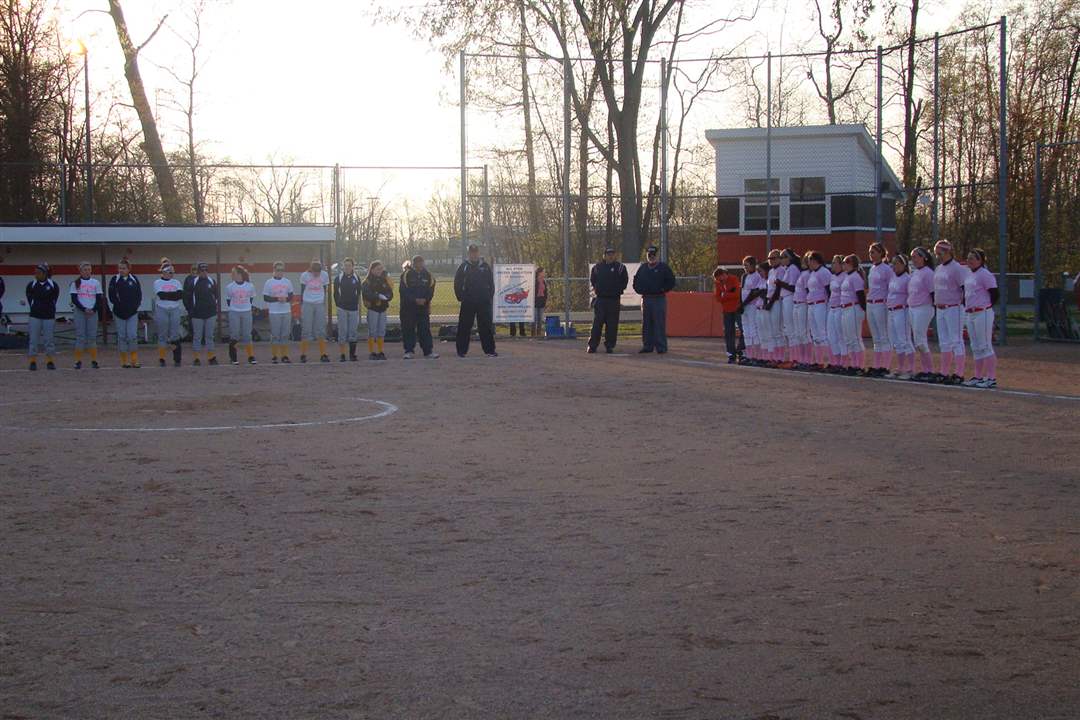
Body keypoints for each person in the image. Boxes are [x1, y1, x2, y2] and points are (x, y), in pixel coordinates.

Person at [962, 248, 999, 389]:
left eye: (973, 258)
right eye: (969, 258)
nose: (970, 260)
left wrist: (986, 307)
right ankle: (978, 376)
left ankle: (991, 378)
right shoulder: (969, 274)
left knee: (985, 345)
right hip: (970, 313)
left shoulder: (985, 274)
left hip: (982, 312)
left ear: (981, 260)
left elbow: (994, 293)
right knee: (975, 346)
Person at [933, 240, 968, 384]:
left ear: (947, 251)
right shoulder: (939, 268)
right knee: (944, 342)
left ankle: (959, 373)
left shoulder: (957, 268)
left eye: (939, 252)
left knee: (956, 340)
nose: (937, 255)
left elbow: (965, 288)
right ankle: (944, 371)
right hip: (940, 308)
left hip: (954, 307)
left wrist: (963, 305)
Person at [454, 244, 497, 357]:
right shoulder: (463, 266)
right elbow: (457, 283)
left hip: (483, 302)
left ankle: (489, 350)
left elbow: (491, 283)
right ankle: (461, 351)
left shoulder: (485, 266)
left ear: (478, 253)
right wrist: (461, 297)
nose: (474, 254)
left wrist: (489, 297)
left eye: (476, 252)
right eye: (472, 252)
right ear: (469, 254)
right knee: (464, 326)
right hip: (468, 302)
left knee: (486, 326)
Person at [633, 245, 676, 354]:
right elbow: (636, 282)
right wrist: (640, 290)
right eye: (649, 255)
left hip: (659, 299)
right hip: (646, 299)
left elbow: (671, 281)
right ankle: (647, 346)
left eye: (653, 255)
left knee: (659, 323)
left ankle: (661, 347)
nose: (651, 257)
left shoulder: (663, 268)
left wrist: (662, 289)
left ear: (657, 255)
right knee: (646, 324)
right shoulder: (643, 268)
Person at [588, 247, 629, 354]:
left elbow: (624, 281)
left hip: (614, 300)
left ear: (615, 255)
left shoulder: (620, 267)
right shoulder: (597, 268)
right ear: (604, 255)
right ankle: (592, 346)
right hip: (601, 300)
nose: (610, 256)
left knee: (612, 325)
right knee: (597, 324)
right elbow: (593, 280)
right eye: (608, 254)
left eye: (612, 254)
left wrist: (617, 289)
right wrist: (599, 289)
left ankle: (609, 346)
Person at [400, 255, 438, 359]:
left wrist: (425, 299)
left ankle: (428, 351)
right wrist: (414, 300)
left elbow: (431, 289)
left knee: (424, 329)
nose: (419, 265)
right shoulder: (406, 274)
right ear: (413, 263)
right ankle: (409, 350)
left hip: (423, 308)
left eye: (420, 262)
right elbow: (404, 291)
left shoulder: (428, 275)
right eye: (416, 263)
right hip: (408, 308)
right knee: (408, 329)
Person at [69, 261, 104, 369]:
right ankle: (78, 360)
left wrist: (93, 309)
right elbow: (74, 299)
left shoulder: (95, 283)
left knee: (92, 337)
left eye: (89, 269)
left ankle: (94, 360)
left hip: (93, 312)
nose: (87, 272)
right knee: (80, 337)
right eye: (85, 269)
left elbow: (99, 298)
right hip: (80, 312)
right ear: (80, 271)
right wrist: (84, 309)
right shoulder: (75, 283)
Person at [907, 246, 936, 377]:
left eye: (915, 256)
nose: (913, 260)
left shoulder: (928, 273)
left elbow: (933, 292)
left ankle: (929, 370)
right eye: (912, 257)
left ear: (924, 257)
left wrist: (934, 307)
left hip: (923, 308)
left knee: (920, 340)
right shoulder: (915, 272)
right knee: (918, 340)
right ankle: (925, 370)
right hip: (913, 308)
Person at [108, 260, 142, 369]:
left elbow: (139, 295)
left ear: (129, 269)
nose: (121, 270)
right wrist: (120, 306)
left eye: (123, 268)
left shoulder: (134, 279)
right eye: (120, 268)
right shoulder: (114, 280)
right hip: (119, 313)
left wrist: (135, 307)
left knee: (132, 336)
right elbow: (112, 296)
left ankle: (134, 360)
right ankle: (124, 361)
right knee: (122, 336)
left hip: (132, 313)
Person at [184, 262, 219, 366]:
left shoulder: (212, 281)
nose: (204, 272)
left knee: (209, 336)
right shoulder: (193, 282)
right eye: (201, 270)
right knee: (197, 336)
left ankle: (211, 357)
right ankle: (196, 358)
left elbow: (216, 296)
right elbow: (187, 297)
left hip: (210, 313)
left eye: (205, 270)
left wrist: (214, 308)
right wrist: (190, 310)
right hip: (197, 314)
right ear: (198, 271)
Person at [25, 263, 59, 371]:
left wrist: (49, 309)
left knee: (49, 340)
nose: (36, 275)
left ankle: (50, 361)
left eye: (39, 273)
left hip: (49, 316)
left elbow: (54, 299)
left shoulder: (53, 285)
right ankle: (33, 361)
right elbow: (30, 299)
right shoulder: (31, 285)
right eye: (35, 273)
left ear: (45, 273)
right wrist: (35, 307)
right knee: (33, 340)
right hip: (35, 316)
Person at [886, 254, 915, 380]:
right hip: (891, 311)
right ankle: (900, 367)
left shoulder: (907, 278)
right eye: (893, 263)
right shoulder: (893, 277)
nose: (895, 266)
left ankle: (911, 369)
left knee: (905, 340)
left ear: (904, 265)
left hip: (902, 311)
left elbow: (911, 295)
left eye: (897, 263)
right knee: (896, 341)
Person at [866, 242, 893, 375]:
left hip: (881, 303)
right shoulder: (872, 268)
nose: (871, 255)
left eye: (874, 252)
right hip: (871, 303)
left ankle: (885, 366)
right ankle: (877, 365)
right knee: (876, 337)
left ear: (881, 253)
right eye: (870, 252)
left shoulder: (886, 269)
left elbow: (891, 287)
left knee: (883, 335)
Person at [839, 254, 867, 373]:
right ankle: (853, 364)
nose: (843, 265)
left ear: (851, 264)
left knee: (855, 338)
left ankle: (858, 365)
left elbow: (860, 295)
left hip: (853, 308)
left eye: (845, 262)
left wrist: (863, 310)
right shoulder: (847, 276)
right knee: (849, 338)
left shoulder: (855, 277)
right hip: (846, 309)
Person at [299, 259, 331, 363]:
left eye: (318, 272)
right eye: (314, 272)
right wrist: (302, 304)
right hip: (307, 303)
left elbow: (325, 289)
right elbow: (302, 289)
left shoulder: (324, 275)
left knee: (321, 329)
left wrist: (323, 302)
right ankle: (303, 354)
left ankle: (323, 354)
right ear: (311, 270)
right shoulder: (305, 275)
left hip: (319, 303)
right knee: (306, 329)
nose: (316, 274)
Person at [263, 261, 295, 364]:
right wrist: (277, 299)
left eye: (282, 270)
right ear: (274, 270)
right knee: (276, 335)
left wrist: (286, 299)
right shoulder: (269, 282)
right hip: (274, 312)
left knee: (285, 334)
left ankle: (284, 355)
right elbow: (265, 297)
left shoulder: (287, 282)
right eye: (278, 270)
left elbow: (291, 296)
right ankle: (274, 356)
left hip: (286, 311)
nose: (280, 272)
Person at [153, 263, 184, 367]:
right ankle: (162, 358)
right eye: (169, 272)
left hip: (174, 309)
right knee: (162, 335)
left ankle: (177, 359)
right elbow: (161, 295)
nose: (171, 274)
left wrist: (168, 296)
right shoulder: (157, 282)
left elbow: (179, 295)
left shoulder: (177, 282)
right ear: (164, 272)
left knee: (175, 335)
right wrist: (172, 295)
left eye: (172, 272)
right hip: (162, 309)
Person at [362, 260, 393, 360]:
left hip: (382, 309)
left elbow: (390, 292)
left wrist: (387, 297)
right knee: (372, 331)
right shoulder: (367, 281)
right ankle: (372, 352)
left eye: (381, 269)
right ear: (372, 270)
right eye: (378, 269)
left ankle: (380, 351)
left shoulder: (384, 280)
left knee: (381, 331)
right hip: (373, 309)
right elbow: (366, 293)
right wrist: (377, 296)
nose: (380, 271)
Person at [225, 265, 256, 366]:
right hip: (234, 312)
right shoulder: (230, 286)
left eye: (234, 273)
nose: (232, 275)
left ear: (240, 274)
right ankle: (233, 357)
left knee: (247, 334)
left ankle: (251, 356)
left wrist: (245, 307)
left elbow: (251, 298)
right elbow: (228, 300)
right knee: (235, 334)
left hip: (246, 311)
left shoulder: (249, 286)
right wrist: (236, 308)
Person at [775, 248, 802, 365]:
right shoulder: (788, 269)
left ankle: (795, 358)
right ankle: (793, 357)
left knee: (791, 330)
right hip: (786, 298)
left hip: (790, 298)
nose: (781, 259)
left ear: (790, 258)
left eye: (783, 257)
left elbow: (792, 287)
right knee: (788, 329)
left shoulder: (793, 269)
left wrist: (780, 283)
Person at [805, 252, 832, 366]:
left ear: (815, 260)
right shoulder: (812, 273)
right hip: (811, 304)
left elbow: (828, 289)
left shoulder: (824, 272)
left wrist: (829, 304)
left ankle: (827, 360)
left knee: (822, 332)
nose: (808, 263)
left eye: (810, 260)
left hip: (820, 304)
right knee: (815, 334)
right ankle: (819, 361)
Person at [334, 257, 362, 362]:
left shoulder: (356, 278)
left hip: (353, 309)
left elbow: (359, 292)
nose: (347, 267)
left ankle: (352, 355)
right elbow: (335, 293)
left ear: (353, 267)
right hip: (342, 309)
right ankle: (342, 355)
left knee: (353, 331)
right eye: (345, 265)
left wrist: (356, 303)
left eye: (349, 265)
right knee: (342, 331)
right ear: (343, 266)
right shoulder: (339, 278)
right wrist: (339, 304)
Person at [713, 265, 742, 363]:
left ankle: (740, 350)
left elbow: (737, 294)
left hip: (737, 309)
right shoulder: (718, 283)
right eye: (718, 280)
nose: (720, 281)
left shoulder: (733, 279)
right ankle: (731, 355)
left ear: (724, 274)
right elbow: (718, 298)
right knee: (729, 333)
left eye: (721, 278)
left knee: (743, 330)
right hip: (726, 310)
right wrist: (728, 293)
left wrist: (725, 294)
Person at [738, 256, 761, 362]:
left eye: (746, 265)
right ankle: (748, 353)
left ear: (753, 265)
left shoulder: (757, 276)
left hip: (752, 305)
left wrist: (744, 303)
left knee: (753, 329)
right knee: (746, 330)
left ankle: (756, 354)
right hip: (744, 306)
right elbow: (741, 290)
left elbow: (754, 292)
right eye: (744, 265)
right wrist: (740, 304)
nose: (745, 268)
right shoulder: (744, 276)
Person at [826, 255, 846, 370]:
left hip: (840, 308)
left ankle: (843, 363)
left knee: (840, 336)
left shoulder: (844, 276)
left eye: (835, 263)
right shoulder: (832, 277)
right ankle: (835, 362)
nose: (832, 265)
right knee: (831, 336)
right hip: (832, 308)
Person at [792, 253, 812, 366]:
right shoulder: (802, 274)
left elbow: (808, 290)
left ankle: (807, 360)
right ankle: (801, 359)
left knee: (804, 333)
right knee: (799, 333)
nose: (804, 263)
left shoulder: (807, 274)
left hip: (803, 304)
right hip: (797, 304)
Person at [533, 267, 548, 337]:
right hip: (535, 302)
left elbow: (545, 292)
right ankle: (533, 334)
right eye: (543, 272)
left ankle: (538, 334)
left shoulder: (544, 281)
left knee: (540, 319)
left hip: (541, 302)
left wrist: (545, 300)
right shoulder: (535, 281)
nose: (544, 273)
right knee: (534, 319)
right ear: (539, 273)